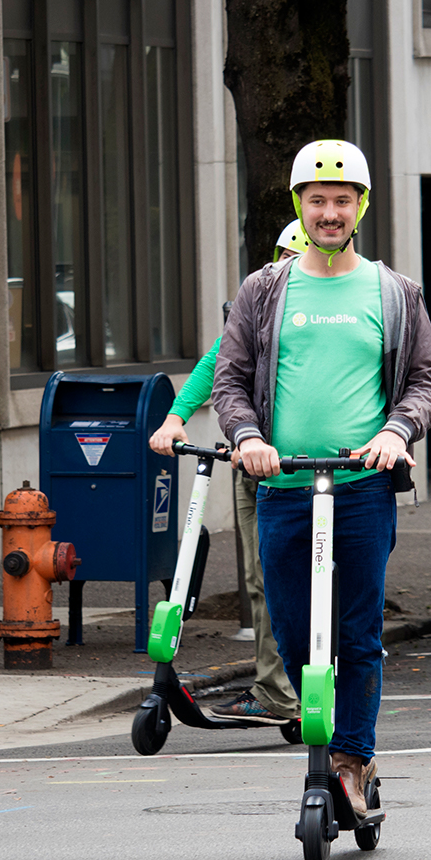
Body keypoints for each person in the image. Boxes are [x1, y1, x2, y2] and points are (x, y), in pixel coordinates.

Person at [213, 139, 431, 815]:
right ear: (299, 206)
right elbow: (230, 380)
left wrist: (396, 432)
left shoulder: (394, 291)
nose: (330, 211)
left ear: (361, 206)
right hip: (284, 487)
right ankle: (338, 742)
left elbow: (425, 378)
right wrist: (249, 436)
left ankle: (351, 758)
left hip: (363, 489)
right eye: (317, 200)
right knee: (290, 634)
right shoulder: (264, 289)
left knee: (356, 633)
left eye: (343, 199)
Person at [148, 297, 296, 726]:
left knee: (292, 582)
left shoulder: (324, 311)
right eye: (283, 258)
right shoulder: (263, 304)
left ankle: (297, 689)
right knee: (260, 580)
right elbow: (217, 361)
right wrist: (176, 417)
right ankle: (277, 691)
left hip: (307, 473)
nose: (287, 270)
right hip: (251, 466)